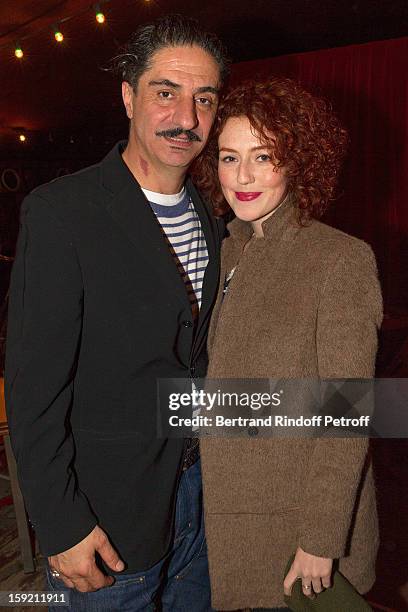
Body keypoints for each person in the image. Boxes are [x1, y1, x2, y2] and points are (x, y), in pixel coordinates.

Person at [5, 15, 228, 611]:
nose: (187, 118)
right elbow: (34, 390)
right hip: (105, 520)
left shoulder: (215, 214)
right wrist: (61, 523)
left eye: (204, 99)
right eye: (166, 93)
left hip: (199, 504)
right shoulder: (63, 214)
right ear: (128, 97)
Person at [193, 78, 383, 610]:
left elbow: (348, 409)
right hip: (228, 515)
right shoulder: (228, 252)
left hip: (296, 531)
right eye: (229, 158)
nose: (243, 176)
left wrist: (322, 539)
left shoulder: (338, 260)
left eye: (263, 156)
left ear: (297, 161)